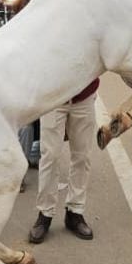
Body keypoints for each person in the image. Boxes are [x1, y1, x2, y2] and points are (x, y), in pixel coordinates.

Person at [29, 77, 100, 243]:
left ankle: (75, 211)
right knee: (50, 156)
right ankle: (45, 213)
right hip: (53, 97)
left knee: (82, 156)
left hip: (84, 96)